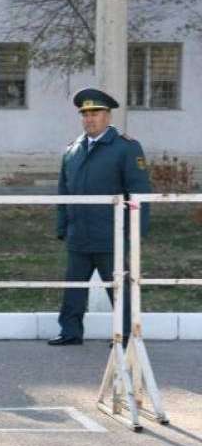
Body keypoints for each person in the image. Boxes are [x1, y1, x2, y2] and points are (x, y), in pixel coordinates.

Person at [48, 88, 152, 346]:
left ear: (108, 116)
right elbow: (64, 191)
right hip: (79, 233)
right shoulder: (73, 149)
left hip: (111, 234)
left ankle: (126, 335)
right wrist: (63, 227)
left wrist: (136, 230)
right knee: (74, 287)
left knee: (119, 288)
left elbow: (139, 193)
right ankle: (70, 332)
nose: (89, 119)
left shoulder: (125, 148)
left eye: (95, 113)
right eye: (85, 114)